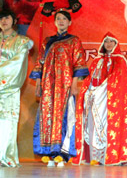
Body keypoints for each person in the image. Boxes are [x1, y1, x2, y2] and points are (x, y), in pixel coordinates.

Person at [29, 10, 88, 167]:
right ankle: (49, 152)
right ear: (54, 22)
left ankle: (62, 152)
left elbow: (79, 63)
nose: (61, 21)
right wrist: (38, 85)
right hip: (48, 85)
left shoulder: (74, 41)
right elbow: (40, 63)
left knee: (64, 117)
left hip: (66, 85)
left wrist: (75, 84)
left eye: (64, 19)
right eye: (58, 19)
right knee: (47, 116)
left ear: (70, 22)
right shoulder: (47, 41)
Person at [73, 32, 127, 166]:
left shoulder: (120, 60)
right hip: (94, 98)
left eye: (111, 41)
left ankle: (108, 156)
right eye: (106, 41)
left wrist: (101, 89)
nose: (108, 44)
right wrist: (89, 89)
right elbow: (89, 78)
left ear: (116, 44)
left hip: (108, 100)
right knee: (93, 126)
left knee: (108, 126)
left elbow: (118, 81)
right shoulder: (96, 60)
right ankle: (94, 157)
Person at [0, 10, 33, 167]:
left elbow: (18, 63)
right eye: (0, 18)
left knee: (7, 122)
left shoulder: (21, 41)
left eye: (7, 18)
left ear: (13, 21)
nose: (3, 21)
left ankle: (5, 156)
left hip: (8, 87)